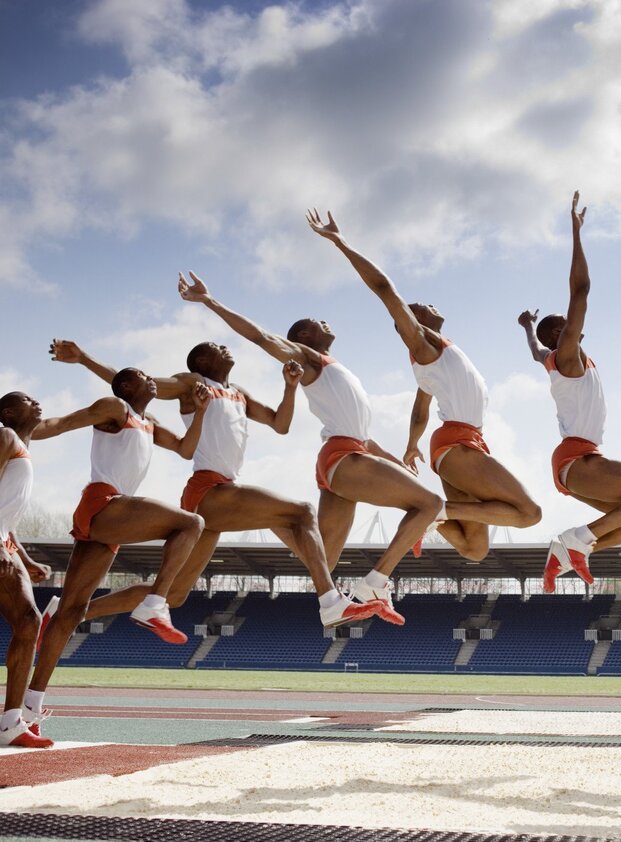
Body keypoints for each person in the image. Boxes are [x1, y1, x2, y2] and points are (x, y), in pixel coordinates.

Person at [49, 339, 378, 630]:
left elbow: (281, 424)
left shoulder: (239, 393)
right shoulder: (193, 383)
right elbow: (140, 385)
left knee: (174, 595)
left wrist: (290, 387)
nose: (226, 348)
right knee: (302, 511)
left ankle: (68, 614)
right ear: (204, 362)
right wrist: (85, 359)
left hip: (221, 494)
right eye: (217, 348)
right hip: (209, 490)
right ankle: (330, 601)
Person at [178, 272, 442, 619]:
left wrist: (397, 462)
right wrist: (209, 301)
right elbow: (259, 336)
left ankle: (272, 517)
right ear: (303, 336)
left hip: (348, 453)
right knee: (431, 503)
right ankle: (375, 583)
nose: (326, 321)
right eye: (317, 321)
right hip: (343, 457)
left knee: (323, 558)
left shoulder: (337, 370)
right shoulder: (308, 357)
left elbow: (364, 436)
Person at [306, 210, 541, 563]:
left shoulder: (432, 365)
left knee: (474, 549)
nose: (431, 305)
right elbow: (385, 290)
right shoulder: (424, 346)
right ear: (413, 321)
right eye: (421, 307)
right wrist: (342, 243)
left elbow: (421, 407)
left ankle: (434, 514)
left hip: (456, 442)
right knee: (528, 513)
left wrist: (411, 446)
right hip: (458, 443)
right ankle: (433, 511)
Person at [25, 369, 211, 736]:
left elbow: (186, 449)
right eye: (144, 376)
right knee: (192, 523)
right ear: (127, 387)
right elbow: (61, 423)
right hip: (104, 501)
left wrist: (201, 411)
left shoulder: (149, 421)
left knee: (72, 612)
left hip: (112, 519)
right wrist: (16, 435)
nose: (153, 379)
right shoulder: (115, 407)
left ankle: (30, 705)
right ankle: (155, 603)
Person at [518, 193, 621, 591]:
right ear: (560, 334)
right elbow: (581, 290)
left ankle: (575, 549)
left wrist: (527, 328)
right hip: (578, 457)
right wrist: (576, 232)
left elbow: (535, 352)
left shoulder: (555, 359)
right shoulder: (567, 356)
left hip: (576, 462)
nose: (575, 324)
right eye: (566, 324)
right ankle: (575, 540)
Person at [0, 393, 54, 747]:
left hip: (4, 541)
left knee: (29, 621)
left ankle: (10, 723)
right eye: (27, 400)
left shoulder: (21, 445)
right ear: (7, 411)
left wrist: (24, 556)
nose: (37, 402)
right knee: (28, 620)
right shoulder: (3, 435)